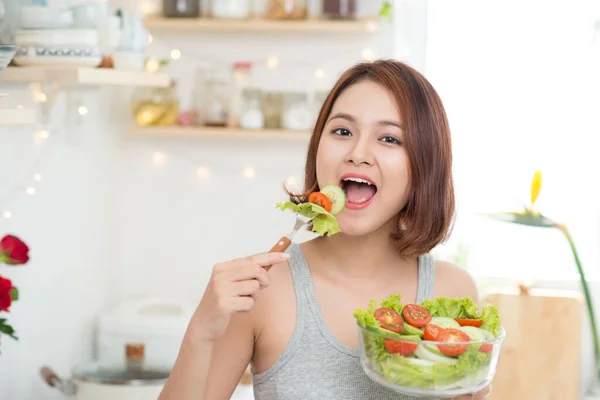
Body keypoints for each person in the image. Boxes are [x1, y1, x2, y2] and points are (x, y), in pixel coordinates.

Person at [158, 60, 491, 400]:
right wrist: (201, 332)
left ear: (425, 164)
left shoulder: (453, 293)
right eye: (343, 132)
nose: (358, 153)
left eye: (389, 138)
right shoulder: (265, 288)